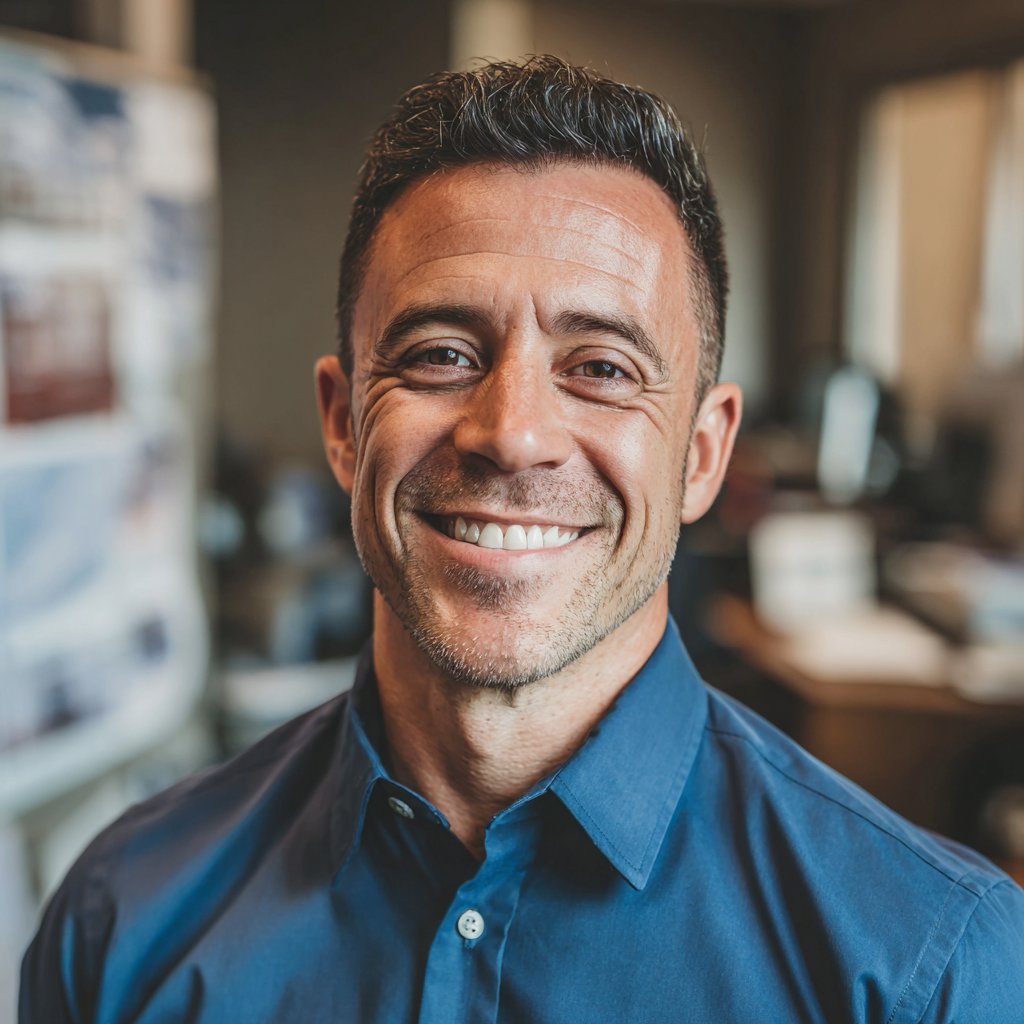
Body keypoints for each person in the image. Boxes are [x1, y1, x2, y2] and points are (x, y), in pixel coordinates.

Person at [21, 56, 1024, 1023]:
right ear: (341, 422)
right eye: (441, 354)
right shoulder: (122, 923)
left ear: (703, 453)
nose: (513, 432)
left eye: (600, 366)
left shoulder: (932, 973)